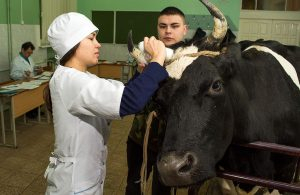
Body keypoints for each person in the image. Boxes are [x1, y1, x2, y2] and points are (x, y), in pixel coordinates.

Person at [43, 12, 168, 195]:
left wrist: (142, 73)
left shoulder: (80, 78)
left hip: (85, 179)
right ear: (72, 43)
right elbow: (129, 101)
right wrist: (158, 59)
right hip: (74, 186)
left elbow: (121, 94)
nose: (98, 44)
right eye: (91, 38)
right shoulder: (71, 81)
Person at [125, 6, 188, 195]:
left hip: (171, 145)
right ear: (157, 28)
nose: (168, 30)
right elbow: (131, 94)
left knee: (162, 191)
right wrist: (141, 70)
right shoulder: (146, 56)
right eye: (163, 26)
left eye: (174, 26)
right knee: (133, 187)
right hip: (138, 138)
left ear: (184, 29)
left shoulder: (193, 62)